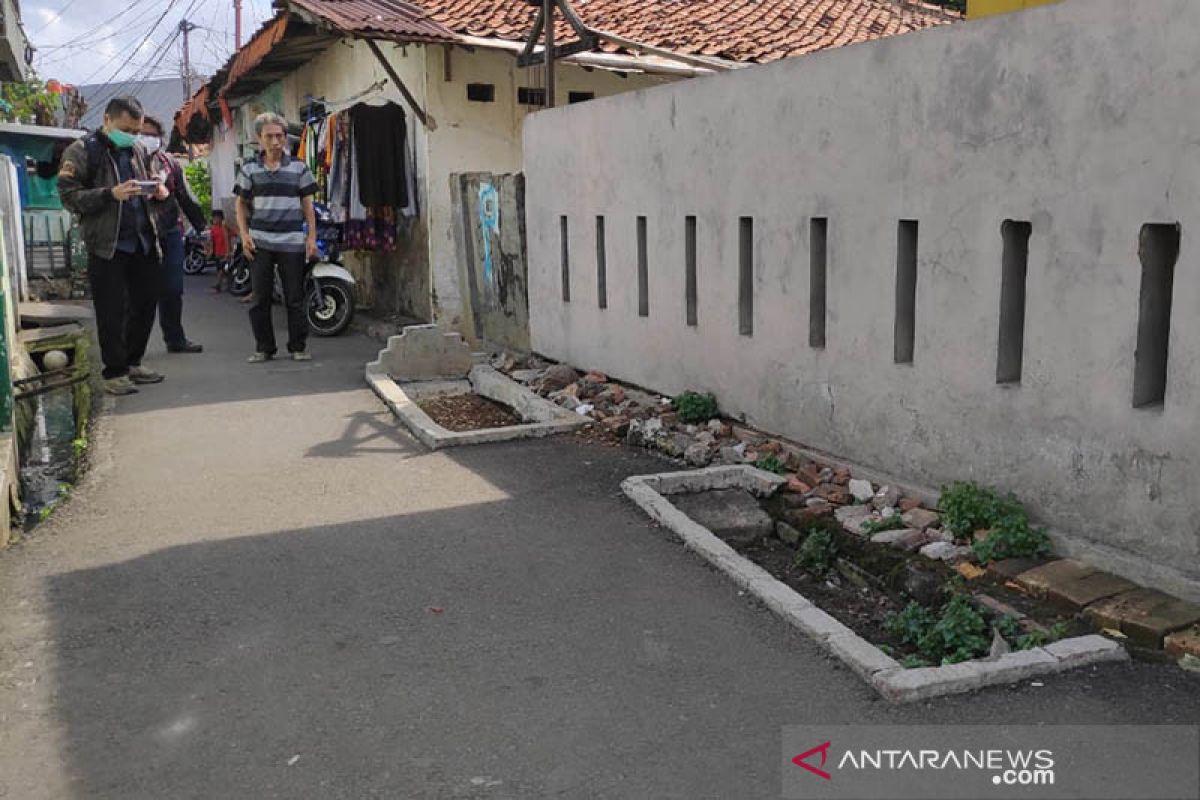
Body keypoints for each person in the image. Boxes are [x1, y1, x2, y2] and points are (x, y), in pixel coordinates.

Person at [57, 96, 168, 396]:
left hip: (143, 239)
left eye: (136, 129)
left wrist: (156, 187)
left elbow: (153, 177)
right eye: (126, 128)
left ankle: (133, 361)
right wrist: (109, 194)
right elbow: (68, 196)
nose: (131, 134)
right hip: (107, 244)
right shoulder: (82, 151)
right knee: (111, 310)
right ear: (107, 119)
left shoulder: (137, 148)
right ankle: (114, 372)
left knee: (145, 304)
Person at [234, 112, 318, 362]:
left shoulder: (299, 167)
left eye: (279, 136)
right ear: (259, 138)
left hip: (292, 241)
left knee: (294, 297)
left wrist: (311, 237)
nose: (275, 141)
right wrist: (244, 234)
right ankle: (264, 348)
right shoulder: (249, 169)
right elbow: (240, 204)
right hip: (260, 242)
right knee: (260, 298)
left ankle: (298, 347)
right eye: (269, 136)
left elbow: (307, 206)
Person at [139, 116, 206, 353]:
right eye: (141, 133)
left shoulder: (169, 164)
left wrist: (202, 229)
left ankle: (175, 339)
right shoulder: (125, 163)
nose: (146, 139)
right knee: (140, 293)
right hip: (140, 235)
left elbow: (185, 199)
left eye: (151, 134)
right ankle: (133, 349)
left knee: (173, 289)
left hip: (169, 232)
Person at [208, 209, 232, 292]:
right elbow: (212, 241)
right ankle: (226, 284)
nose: (215, 220)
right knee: (220, 269)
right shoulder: (213, 229)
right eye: (214, 218)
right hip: (218, 252)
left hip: (225, 252)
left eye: (217, 218)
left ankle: (218, 284)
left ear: (221, 218)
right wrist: (211, 251)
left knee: (222, 269)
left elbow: (227, 239)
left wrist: (228, 252)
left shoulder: (224, 227)